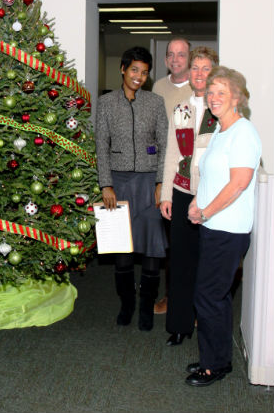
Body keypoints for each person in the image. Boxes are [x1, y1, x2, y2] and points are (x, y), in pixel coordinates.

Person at [186, 66, 261, 386]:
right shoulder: (220, 130)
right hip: (212, 225)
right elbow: (211, 175)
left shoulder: (243, 132)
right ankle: (217, 357)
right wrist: (195, 202)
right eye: (211, 91)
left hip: (227, 229)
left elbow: (238, 184)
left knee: (208, 296)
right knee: (214, 295)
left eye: (221, 93)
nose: (213, 98)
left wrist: (205, 212)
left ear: (237, 99)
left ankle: (214, 365)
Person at [96, 46, 168, 331]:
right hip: (118, 183)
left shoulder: (155, 102)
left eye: (145, 72)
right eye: (135, 70)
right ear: (123, 69)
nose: (139, 76)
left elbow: (164, 146)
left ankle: (147, 306)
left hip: (149, 183)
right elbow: (101, 145)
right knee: (121, 249)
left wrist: (161, 182)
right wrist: (106, 183)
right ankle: (127, 303)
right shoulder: (106, 103)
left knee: (152, 249)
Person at [160, 47, 219, 346]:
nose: (198, 73)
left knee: (208, 265)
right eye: (194, 67)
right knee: (181, 263)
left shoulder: (220, 111)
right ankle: (180, 325)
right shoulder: (180, 109)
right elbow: (172, 154)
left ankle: (206, 324)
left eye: (204, 68)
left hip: (212, 199)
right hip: (183, 194)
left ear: (214, 73)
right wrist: (166, 196)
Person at [152, 37, 193, 315]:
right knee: (169, 242)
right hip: (165, 173)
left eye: (181, 54)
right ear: (166, 59)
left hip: (192, 177)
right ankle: (171, 295)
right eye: (171, 55)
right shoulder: (158, 87)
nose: (176, 59)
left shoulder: (201, 88)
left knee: (194, 244)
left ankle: (195, 302)